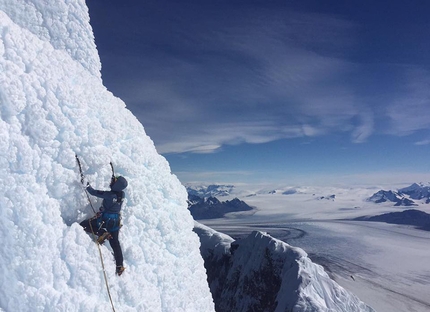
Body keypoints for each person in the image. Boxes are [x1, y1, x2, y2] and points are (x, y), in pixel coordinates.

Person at [80, 175, 128, 276]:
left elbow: (93, 192)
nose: (111, 181)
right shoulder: (122, 195)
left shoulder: (109, 195)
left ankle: (102, 233)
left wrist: (86, 185)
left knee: (84, 224)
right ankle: (120, 266)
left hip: (106, 220)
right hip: (115, 222)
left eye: (114, 181)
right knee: (115, 243)